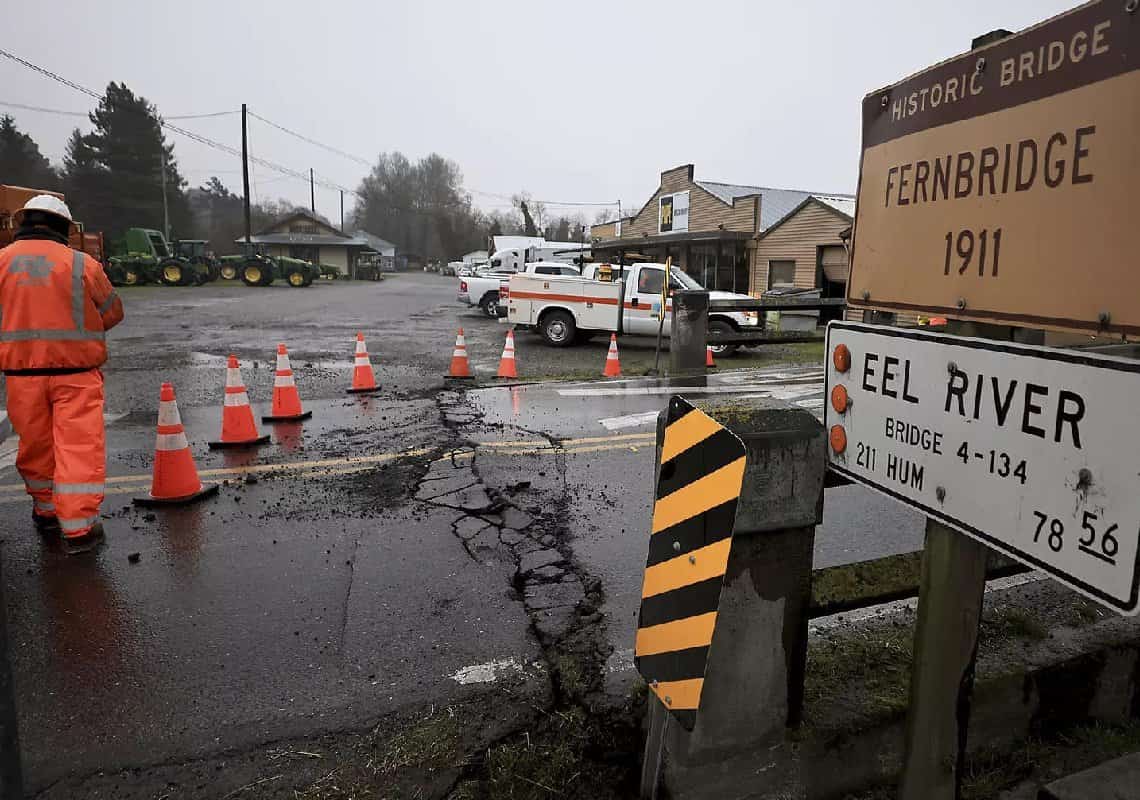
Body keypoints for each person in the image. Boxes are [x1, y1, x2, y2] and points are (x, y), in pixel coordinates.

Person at [0, 195, 123, 554]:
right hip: (76, 374)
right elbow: (113, 312)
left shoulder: (1, 263)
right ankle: (79, 527)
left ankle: (46, 509)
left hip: (21, 375)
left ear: (23, 223)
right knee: (79, 446)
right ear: (64, 228)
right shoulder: (82, 264)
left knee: (35, 445)